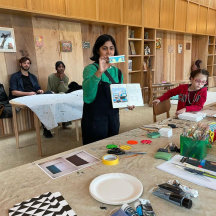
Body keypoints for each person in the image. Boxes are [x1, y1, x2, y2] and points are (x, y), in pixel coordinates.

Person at [81, 34, 134, 145]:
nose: (109, 52)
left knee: (111, 147)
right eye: (104, 48)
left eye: (111, 48)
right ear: (98, 50)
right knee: (95, 149)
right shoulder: (90, 69)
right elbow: (88, 96)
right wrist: (99, 72)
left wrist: (126, 103)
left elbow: (118, 98)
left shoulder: (117, 72)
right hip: (95, 120)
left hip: (113, 119)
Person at [9, 56, 52, 138]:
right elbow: (13, 92)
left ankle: (49, 125)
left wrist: (40, 90)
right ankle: (46, 128)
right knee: (42, 103)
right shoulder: (15, 77)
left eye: (28, 63)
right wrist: (28, 93)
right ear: (20, 64)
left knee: (49, 94)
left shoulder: (33, 77)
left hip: (34, 96)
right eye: (24, 63)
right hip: (22, 98)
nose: (26, 65)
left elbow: (37, 88)